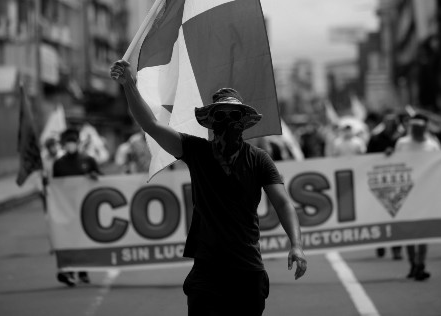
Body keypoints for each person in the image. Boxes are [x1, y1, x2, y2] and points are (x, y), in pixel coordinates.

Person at [110, 60, 307, 316]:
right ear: (211, 121)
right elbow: (151, 125)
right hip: (207, 269)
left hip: (247, 268)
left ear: (245, 122)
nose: (227, 120)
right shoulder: (196, 151)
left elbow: (282, 203)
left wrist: (297, 245)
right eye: (220, 115)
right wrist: (129, 85)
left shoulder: (259, 159)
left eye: (234, 115)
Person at [394, 113, 441, 281]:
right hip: (405, 193)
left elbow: (439, 165)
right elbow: (394, 164)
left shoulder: (432, 145)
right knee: (408, 230)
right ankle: (413, 262)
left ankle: (421, 263)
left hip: (425, 192)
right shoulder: (402, 144)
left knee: (423, 230)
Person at [52, 128, 102, 287]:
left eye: (73, 141)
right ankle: (70, 270)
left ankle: (83, 271)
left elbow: (103, 180)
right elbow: (55, 187)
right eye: (68, 142)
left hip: (86, 207)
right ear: (64, 144)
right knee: (69, 239)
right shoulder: (59, 164)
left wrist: (95, 177)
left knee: (83, 239)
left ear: (78, 143)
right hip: (66, 208)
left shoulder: (88, 160)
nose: (70, 145)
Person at [367, 114, 404, 260]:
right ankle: (380, 244)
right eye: (388, 123)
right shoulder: (375, 138)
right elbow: (367, 157)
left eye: (393, 123)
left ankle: (397, 249)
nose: (391, 125)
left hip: (397, 183)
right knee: (379, 216)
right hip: (378, 182)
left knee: (396, 217)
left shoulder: (401, 140)